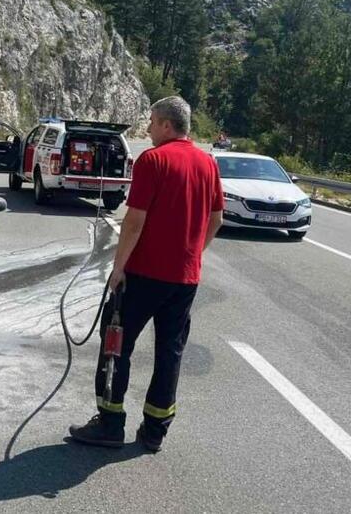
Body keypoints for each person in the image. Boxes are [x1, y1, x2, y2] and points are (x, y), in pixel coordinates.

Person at [69, 96, 224, 453]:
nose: (149, 129)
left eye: (152, 122)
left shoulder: (152, 160)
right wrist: (193, 254)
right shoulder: (207, 163)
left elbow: (135, 221)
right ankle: (154, 431)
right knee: (169, 352)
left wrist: (118, 268)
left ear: (167, 125)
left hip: (144, 274)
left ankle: (110, 423)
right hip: (185, 280)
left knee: (116, 344)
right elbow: (216, 219)